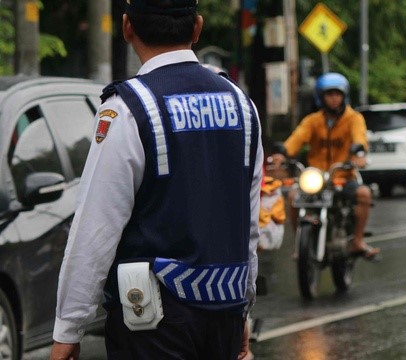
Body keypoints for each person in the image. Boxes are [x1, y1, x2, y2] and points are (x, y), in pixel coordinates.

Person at [50, 1, 263, 359]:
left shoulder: (129, 108)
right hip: (224, 312)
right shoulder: (242, 105)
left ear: (127, 27)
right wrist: (243, 308)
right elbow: (248, 225)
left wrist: (68, 329)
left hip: (153, 325)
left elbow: (96, 227)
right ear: (197, 28)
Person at [272, 72, 379, 261]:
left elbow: (359, 139)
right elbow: (296, 139)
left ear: (344, 96)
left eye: (337, 94)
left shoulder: (354, 118)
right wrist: (283, 154)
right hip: (316, 178)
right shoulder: (313, 120)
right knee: (293, 196)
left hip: (342, 176)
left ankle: (357, 241)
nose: (334, 98)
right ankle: (301, 244)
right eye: (329, 94)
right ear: (321, 97)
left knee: (364, 194)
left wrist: (358, 155)